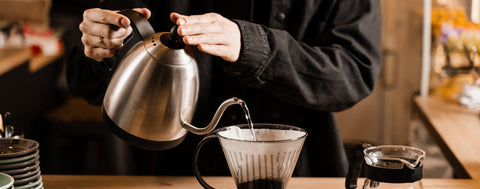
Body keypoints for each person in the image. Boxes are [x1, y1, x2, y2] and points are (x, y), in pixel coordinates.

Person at [66, 0, 382, 177]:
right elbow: (87, 83)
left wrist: (254, 46)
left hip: (299, 180)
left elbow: (354, 74)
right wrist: (101, 49)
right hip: (170, 180)